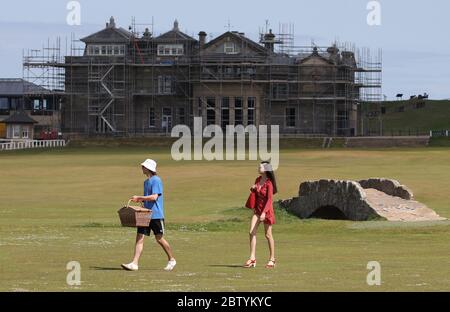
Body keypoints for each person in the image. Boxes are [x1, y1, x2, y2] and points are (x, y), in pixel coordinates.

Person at [121, 159, 177, 272]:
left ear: (149, 168)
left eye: (144, 166)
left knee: (159, 238)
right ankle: (134, 263)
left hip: (156, 215)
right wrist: (140, 201)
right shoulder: (146, 182)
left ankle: (172, 259)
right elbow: (147, 199)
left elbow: (154, 197)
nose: (142, 168)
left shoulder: (156, 180)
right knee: (139, 237)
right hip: (145, 214)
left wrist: (140, 197)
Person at [244, 161, 278, 269]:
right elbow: (256, 193)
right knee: (251, 232)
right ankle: (252, 258)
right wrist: (253, 188)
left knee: (268, 235)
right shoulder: (258, 180)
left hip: (267, 212)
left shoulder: (269, 183)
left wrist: (264, 213)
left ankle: (272, 259)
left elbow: (269, 199)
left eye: (261, 166)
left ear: (266, 169)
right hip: (257, 211)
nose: (258, 168)